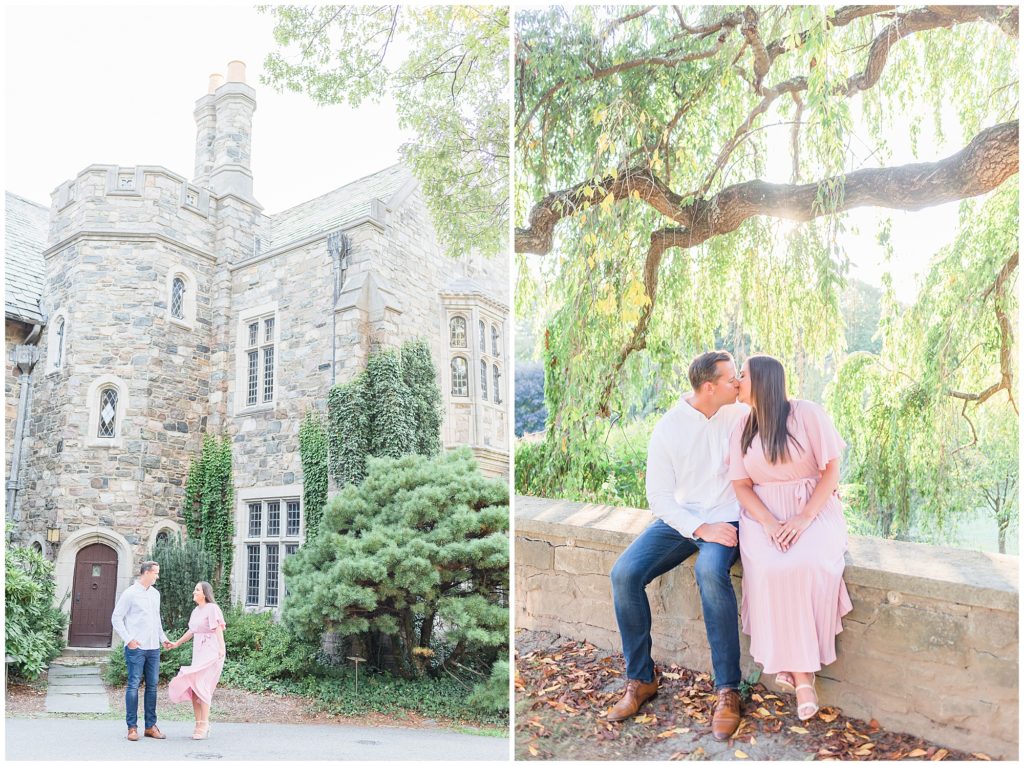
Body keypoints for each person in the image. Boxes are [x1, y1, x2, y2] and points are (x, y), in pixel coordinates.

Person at [608, 350, 750, 741]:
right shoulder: (669, 428)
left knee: (709, 571)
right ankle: (641, 679)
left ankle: (727, 690)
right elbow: (659, 497)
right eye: (731, 378)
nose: (738, 383)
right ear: (709, 387)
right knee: (623, 574)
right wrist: (698, 527)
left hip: (727, 518)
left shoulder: (740, 415)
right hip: (683, 520)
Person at [728, 354, 853, 721]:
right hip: (762, 516)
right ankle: (802, 678)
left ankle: (792, 668)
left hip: (812, 509)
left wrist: (803, 518)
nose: (737, 381)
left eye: (744, 375)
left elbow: (831, 471)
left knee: (806, 564)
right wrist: (767, 522)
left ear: (764, 381)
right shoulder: (742, 427)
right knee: (770, 568)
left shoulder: (807, 414)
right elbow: (741, 484)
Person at [111, 560, 170, 741]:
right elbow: (116, 618)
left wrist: (163, 638)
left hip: (153, 648)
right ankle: (132, 728)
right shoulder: (130, 593)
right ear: (146, 573)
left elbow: (156, 619)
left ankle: (150, 726)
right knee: (133, 686)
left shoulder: (155, 594)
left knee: (152, 687)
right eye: (156, 573)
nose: (157, 576)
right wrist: (128, 640)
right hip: (136, 649)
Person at [167, 581, 227, 740]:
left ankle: (205, 724)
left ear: (205, 593)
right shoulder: (195, 611)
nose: (194, 592)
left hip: (212, 651)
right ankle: (198, 722)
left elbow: (218, 628)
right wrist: (177, 643)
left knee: (203, 686)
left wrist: (221, 648)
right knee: (194, 687)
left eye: (197, 590)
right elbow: (192, 631)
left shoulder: (213, 608)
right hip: (199, 653)